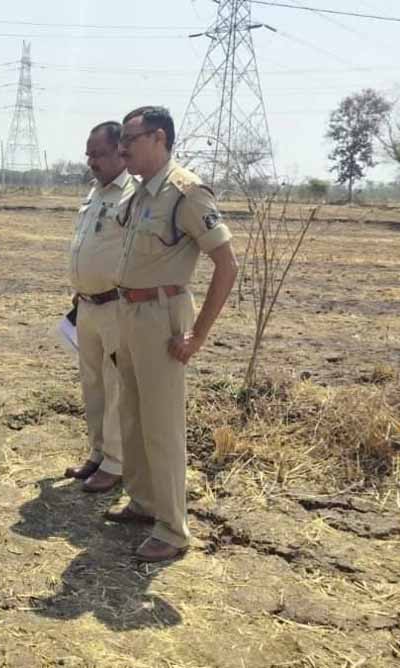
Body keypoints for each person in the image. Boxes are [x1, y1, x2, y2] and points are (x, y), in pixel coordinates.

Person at [107, 106, 237, 562]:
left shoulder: (186, 193)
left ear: (159, 138)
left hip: (162, 317)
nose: (122, 148)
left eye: (130, 139)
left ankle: (173, 529)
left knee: (162, 426)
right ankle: (144, 502)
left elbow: (226, 265)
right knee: (132, 415)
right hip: (129, 312)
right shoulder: (140, 193)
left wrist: (196, 336)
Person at [63, 121, 133, 494]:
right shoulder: (95, 191)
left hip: (116, 306)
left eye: (99, 154)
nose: (91, 161)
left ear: (121, 151)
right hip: (87, 304)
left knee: (116, 385)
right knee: (92, 384)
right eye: (88, 154)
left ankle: (116, 463)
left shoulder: (132, 194)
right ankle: (97, 452)